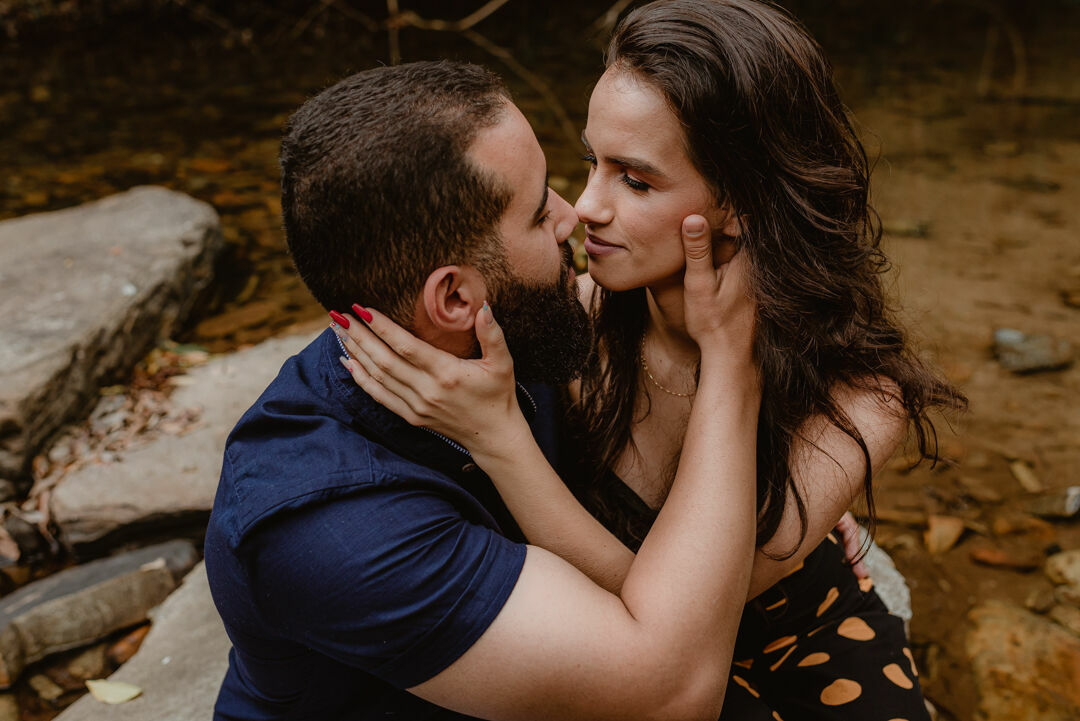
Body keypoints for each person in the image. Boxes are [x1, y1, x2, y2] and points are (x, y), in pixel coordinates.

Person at [333, 1, 966, 719]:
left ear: (740, 202)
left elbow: (677, 626)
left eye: (635, 180)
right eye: (590, 161)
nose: (585, 206)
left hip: (799, 642)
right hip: (618, 661)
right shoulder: (570, 318)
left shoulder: (856, 398)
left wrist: (503, 440)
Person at [205, 59, 767, 721]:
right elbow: (672, 694)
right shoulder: (332, 527)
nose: (575, 214)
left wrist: (772, 466)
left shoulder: (498, 328)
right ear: (452, 297)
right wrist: (736, 368)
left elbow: (661, 330)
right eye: (537, 213)